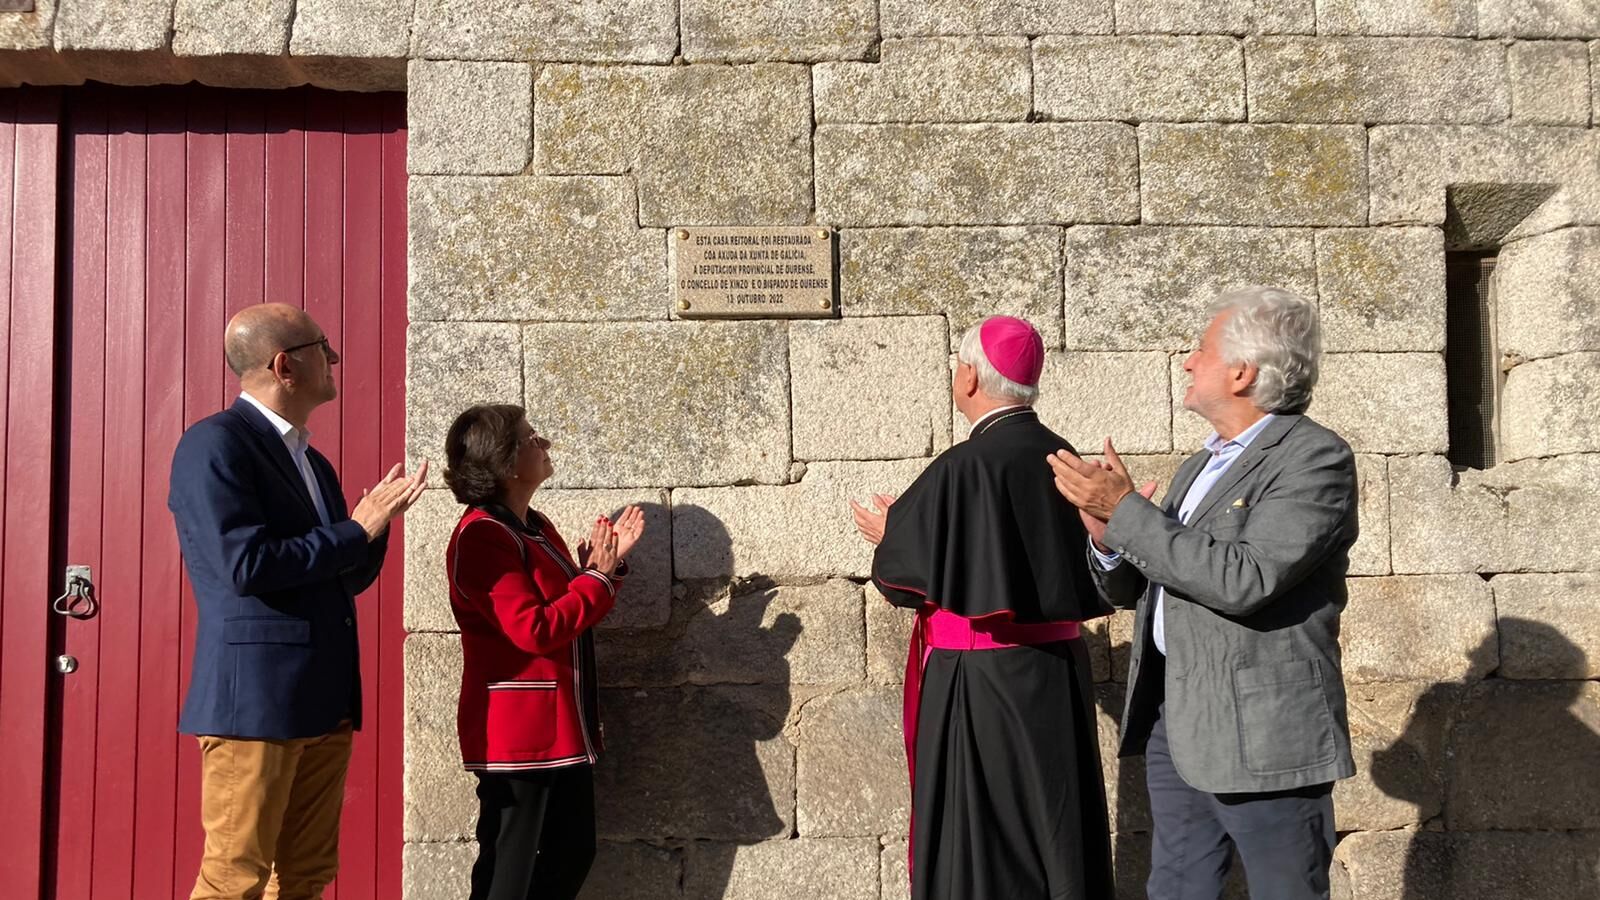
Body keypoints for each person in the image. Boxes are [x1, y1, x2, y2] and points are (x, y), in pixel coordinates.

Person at [1049, 286, 1358, 900]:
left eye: (1201, 349)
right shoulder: (1201, 464)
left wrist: (1127, 512)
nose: (1187, 361)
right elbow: (1146, 583)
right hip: (1181, 716)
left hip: (1264, 730)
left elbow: (1243, 579)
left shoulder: (1313, 458)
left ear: (1243, 372)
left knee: (1285, 891)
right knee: (1176, 886)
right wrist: (1109, 537)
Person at [850, 316, 1115, 900]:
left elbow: (901, 583)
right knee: (1054, 823)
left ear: (969, 377)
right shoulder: (1066, 459)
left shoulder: (961, 466)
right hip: (1058, 673)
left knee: (980, 837)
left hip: (979, 683)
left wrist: (892, 536)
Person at [168, 303, 427, 900]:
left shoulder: (313, 462)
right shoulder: (215, 445)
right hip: (255, 704)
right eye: (321, 346)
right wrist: (356, 529)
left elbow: (340, 577)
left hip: (324, 699)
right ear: (285, 366)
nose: (334, 357)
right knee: (234, 878)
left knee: (306, 877)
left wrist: (375, 528)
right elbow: (244, 565)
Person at [443, 403, 644, 900]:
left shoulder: (532, 524)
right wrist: (595, 577)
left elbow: (572, 610)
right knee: (508, 873)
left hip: (558, 728)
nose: (545, 444)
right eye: (532, 438)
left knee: (571, 854)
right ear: (506, 462)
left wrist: (603, 571)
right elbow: (533, 629)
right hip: (519, 733)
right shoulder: (483, 536)